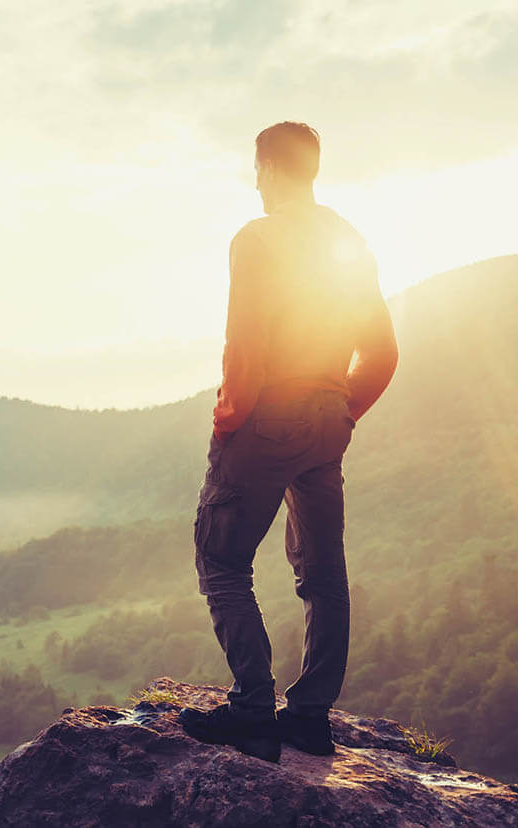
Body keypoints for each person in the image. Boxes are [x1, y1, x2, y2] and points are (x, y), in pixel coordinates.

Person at [178, 122, 398, 763]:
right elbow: (383, 350)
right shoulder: (348, 239)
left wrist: (229, 417)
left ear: (269, 167)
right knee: (325, 573)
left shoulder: (258, 237)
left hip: (266, 417)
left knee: (221, 562)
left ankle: (251, 710)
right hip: (330, 416)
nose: (254, 181)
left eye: (256, 169)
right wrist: (342, 409)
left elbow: (244, 341)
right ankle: (309, 718)